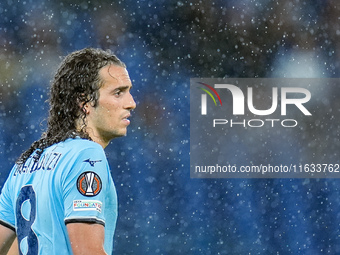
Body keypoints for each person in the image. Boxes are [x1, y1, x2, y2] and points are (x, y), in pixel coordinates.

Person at [0, 48, 136, 254]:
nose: (131, 103)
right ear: (85, 102)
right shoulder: (87, 155)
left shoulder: (25, 164)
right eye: (118, 93)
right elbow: (87, 251)